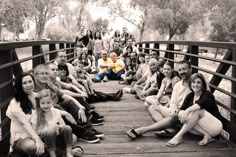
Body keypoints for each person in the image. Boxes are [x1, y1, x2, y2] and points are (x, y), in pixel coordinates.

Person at [34, 64, 101, 143]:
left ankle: (88, 128)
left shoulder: (49, 85)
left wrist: (80, 107)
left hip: (56, 109)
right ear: (35, 75)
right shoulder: (34, 89)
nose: (45, 76)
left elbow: (64, 95)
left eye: (46, 73)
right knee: (57, 106)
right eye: (42, 74)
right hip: (44, 114)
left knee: (69, 102)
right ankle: (82, 132)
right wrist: (65, 113)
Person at [126, 60, 192, 139]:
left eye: (184, 69)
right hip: (175, 112)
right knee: (152, 107)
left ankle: (143, 130)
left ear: (190, 69)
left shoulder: (195, 83)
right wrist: (173, 109)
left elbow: (201, 101)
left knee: (176, 114)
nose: (182, 72)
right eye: (180, 70)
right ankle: (171, 128)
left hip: (187, 114)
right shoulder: (178, 84)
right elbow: (173, 102)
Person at [166, 73, 223, 147]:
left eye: (198, 82)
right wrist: (177, 111)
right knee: (181, 114)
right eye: (193, 82)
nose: (195, 85)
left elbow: (200, 105)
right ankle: (206, 135)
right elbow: (182, 109)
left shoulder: (207, 94)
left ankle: (178, 137)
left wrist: (187, 111)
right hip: (202, 129)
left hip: (215, 126)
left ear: (203, 85)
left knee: (197, 111)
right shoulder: (190, 95)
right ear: (190, 84)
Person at [31, 89, 82, 157]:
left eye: (48, 102)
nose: (46, 105)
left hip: (57, 137)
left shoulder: (55, 112)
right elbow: (34, 133)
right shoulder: (36, 115)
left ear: (52, 102)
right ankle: (53, 155)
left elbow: (63, 125)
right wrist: (49, 129)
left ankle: (69, 153)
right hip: (46, 140)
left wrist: (58, 127)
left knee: (68, 128)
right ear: (39, 104)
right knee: (51, 131)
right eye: (43, 103)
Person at [6, 73, 45, 156]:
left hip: (40, 132)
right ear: (20, 86)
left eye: (30, 81)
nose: (29, 85)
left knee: (72, 138)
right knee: (33, 147)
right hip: (23, 137)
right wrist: (37, 139)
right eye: (24, 83)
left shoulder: (38, 96)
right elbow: (25, 123)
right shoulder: (15, 103)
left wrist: (66, 113)